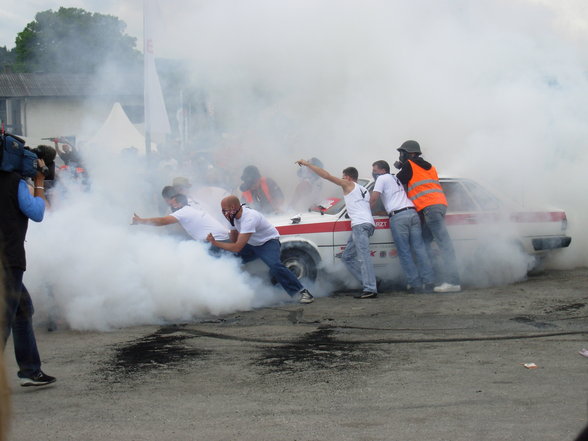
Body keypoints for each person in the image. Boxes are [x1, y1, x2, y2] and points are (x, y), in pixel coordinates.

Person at [0, 161, 56, 387]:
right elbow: (37, 212)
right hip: (8, 259)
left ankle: (30, 369)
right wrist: (40, 183)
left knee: (23, 310)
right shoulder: (14, 182)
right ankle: (30, 369)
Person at [206, 195, 314, 304]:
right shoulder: (232, 217)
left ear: (233, 208)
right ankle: (223, 292)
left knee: (275, 266)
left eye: (225, 210)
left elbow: (237, 247)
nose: (224, 213)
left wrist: (216, 242)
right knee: (227, 258)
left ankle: (302, 292)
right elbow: (234, 239)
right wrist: (224, 240)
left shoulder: (249, 218)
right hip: (251, 243)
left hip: (267, 243)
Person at [296, 159, 377, 299]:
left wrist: (308, 165)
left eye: (343, 177)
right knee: (347, 257)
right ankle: (370, 282)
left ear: (349, 177)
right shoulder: (364, 190)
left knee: (363, 257)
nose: (341, 180)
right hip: (366, 224)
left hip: (360, 225)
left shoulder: (349, 184)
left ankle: (370, 288)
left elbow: (326, 175)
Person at [395, 140, 461, 293]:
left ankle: (453, 281)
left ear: (411, 154)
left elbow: (399, 180)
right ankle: (434, 277)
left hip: (430, 208)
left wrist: (400, 166)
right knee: (424, 243)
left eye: (402, 153)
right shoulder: (430, 167)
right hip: (439, 205)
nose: (401, 156)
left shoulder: (409, 165)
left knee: (444, 244)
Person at [370, 160, 435, 293]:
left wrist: (364, 210)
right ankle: (429, 281)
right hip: (412, 213)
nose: (373, 173)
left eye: (375, 170)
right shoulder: (395, 178)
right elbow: (395, 200)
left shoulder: (381, 178)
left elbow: (374, 198)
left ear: (383, 170)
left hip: (399, 218)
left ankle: (415, 284)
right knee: (419, 249)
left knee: (405, 252)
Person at [132, 188, 230, 249]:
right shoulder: (192, 201)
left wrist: (141, 221)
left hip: (215, 240)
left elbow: (163, 222)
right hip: (224, 233)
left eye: (171, 203)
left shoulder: (182, 210)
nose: (171, 205)